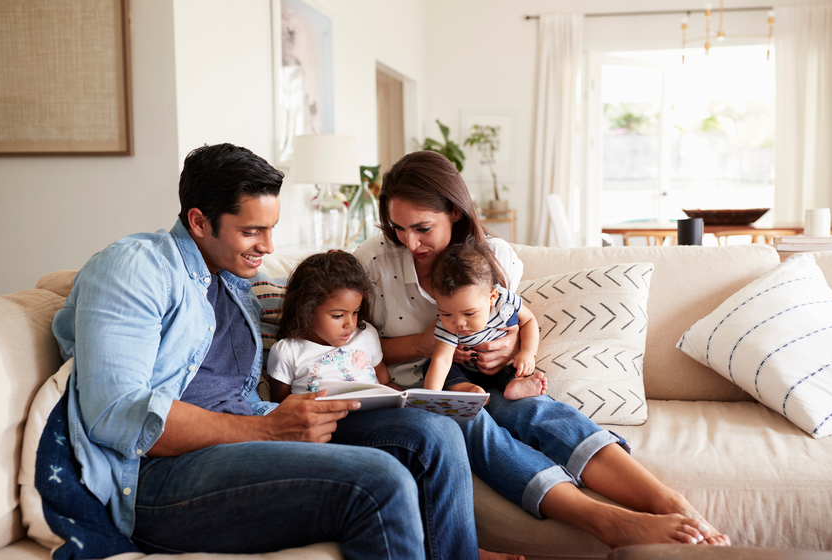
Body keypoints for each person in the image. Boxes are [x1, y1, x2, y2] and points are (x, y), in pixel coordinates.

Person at [52, 143, 511, 560]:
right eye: (252, 231)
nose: (268, 248)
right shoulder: (136, 267)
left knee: (435, 433)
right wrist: (268, 428)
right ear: (197, 221)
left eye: (271, 230)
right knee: (380, 481)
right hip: (161, 476)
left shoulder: (233, 281)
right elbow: (114, 414)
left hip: (256, 428)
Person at [354, 150, 732, 548]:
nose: (409, 242)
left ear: (454, 212)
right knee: (468, 423)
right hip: (420, 390)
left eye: (422, 228)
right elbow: (353, 348)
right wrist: (422, 343)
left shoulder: (492, 257)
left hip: (486, 377)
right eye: (398, 228)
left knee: (537, 410)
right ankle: (605, 521)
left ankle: (671, 502)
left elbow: (512, 321)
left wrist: (509, 349)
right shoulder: (374, 261)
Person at [266, 250, 400, 400]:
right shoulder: (287, 352)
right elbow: (281, 406)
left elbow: (385, 383)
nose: (350, 324)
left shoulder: (366, 334)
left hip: (377, 414)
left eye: (355, 312)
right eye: (338, 316)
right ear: (306, 310)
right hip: (327, 420)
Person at [425, 236, 546, 400]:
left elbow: (529, 320)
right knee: (431, 367)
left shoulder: (503, 303)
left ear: (492, 297)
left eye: (469, 313)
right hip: (466, 372)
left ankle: (515, 385)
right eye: (446, 314)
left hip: (501, 366)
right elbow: (442, 361)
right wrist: (430, 398)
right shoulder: (446, 325)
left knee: (516, 367)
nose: (459, 323)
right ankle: (466, 388)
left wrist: (527, 352)